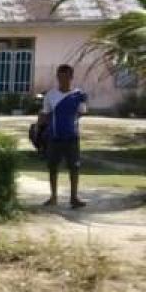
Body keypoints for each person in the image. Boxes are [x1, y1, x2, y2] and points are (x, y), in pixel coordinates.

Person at [39, 64, 88, 209]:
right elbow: (45, 114)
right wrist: (39, 127)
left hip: (72, 137)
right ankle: (53, 197)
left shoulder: (78, 95)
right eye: (59, 76)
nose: (62, 80)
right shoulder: (50, 95)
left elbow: (82, 112)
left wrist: (70, 121)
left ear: (71, 77)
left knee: (74, 168)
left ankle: (74, 198)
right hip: (55, 137)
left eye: (65, 76)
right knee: (53, 167)